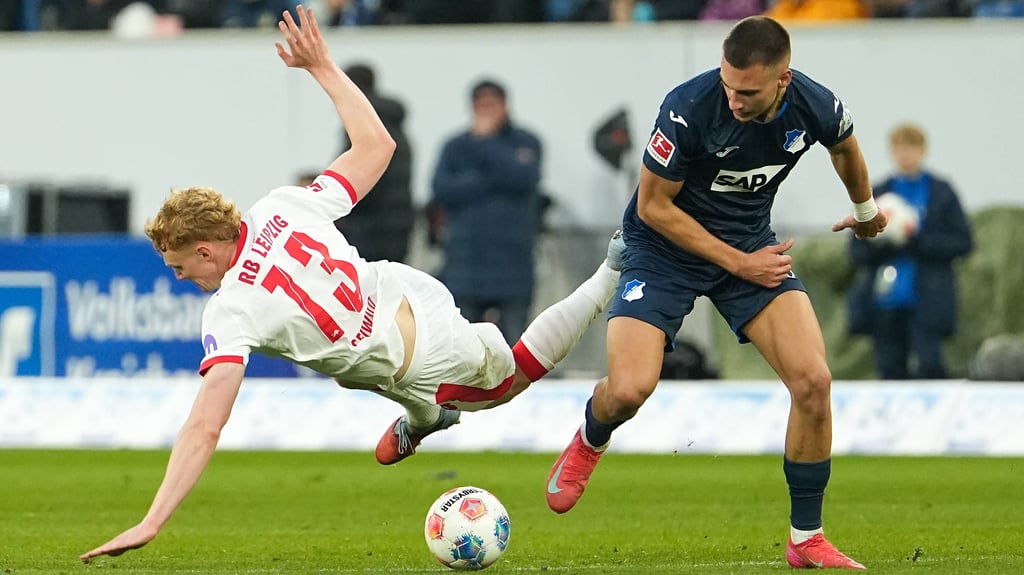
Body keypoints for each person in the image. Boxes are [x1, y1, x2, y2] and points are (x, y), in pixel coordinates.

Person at [79, 5, 623, 562]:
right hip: (403, 293)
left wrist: (152, 520)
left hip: (422, 357)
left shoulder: (230, 310)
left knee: (509, 383)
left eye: (180, 267)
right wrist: (321, 67)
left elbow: (204, 426)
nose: (181, 279)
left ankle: (613, 266)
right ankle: (424, 417)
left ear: (204, 249)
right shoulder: (280, 206)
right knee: (343, 368)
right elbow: (376, 147)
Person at [544, 15, 886, 570]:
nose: (733, 99)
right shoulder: (688, 106)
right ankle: (591, 436)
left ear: (783, 79)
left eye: (747, 91)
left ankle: (805, 538)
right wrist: (740, 263)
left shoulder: (815, 104)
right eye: (728, 85)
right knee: (630, 389)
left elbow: (844, 147)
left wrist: (867, 211)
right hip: (662, 252)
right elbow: (655, 207)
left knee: (814, 381)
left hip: (747, 249)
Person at [847, 122, 973, 379]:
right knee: (889, 368)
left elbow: (963, 242)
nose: (906, 155)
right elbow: (855, 250)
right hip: (884, 301)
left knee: (930, 364)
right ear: (891, 152)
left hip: (928, 299)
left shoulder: (941, 192)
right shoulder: (877, 193)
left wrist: (916, 241)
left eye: (911, 148)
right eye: (900, 148)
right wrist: (884, 243)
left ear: (923, 151)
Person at [430, 78, 544, 345]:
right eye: (481, 105)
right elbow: (441, 191)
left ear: (506, 106)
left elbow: (524, 178)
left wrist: (486, 143)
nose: (486, 111)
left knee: (516, 347)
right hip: (464, 261)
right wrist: (491, 180)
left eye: (492, 104)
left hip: (513, 261)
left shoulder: (526, 142)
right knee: (462, 345)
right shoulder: (455, 146)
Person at [333, 62, 414, 263]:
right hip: (398, 223)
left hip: (368, 227)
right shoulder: (394, 126)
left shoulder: (361, 129)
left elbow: (352, 177)